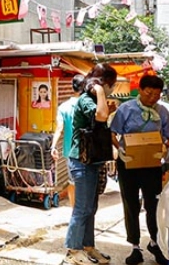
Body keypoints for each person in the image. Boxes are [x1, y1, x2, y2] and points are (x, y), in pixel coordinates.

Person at [110, 75, 169, 265]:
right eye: (149, 93)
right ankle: (134, 247)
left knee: (153, 205)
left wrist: (165, 145)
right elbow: (113, 133)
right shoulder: (126, 109)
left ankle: (155, 243)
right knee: (130, 204)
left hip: (152, 165)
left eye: (157, 95)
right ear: (139, 90)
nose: (152, 98)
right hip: (128, 164)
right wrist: (121, 149)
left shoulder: (162, 111)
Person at [64, 64, 118, 265]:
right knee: (82, 208)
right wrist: (99, 92)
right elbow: (101, 116)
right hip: (82, 160)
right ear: (101, 83)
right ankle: (73, 250)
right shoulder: (86, 99)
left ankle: (88, 247)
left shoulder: (94, 99)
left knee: (91, 208)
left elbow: (102, 121)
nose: (111, 88)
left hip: (93, 160)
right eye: (110, 84)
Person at [51, 74, 86, 205]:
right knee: (87, 182)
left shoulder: (63, 107)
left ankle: (74, 210)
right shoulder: (89, 105)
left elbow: (59, 128)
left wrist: (53, 147)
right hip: (88, 151)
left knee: (72, 182)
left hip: (70, 151)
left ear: (72, 88)